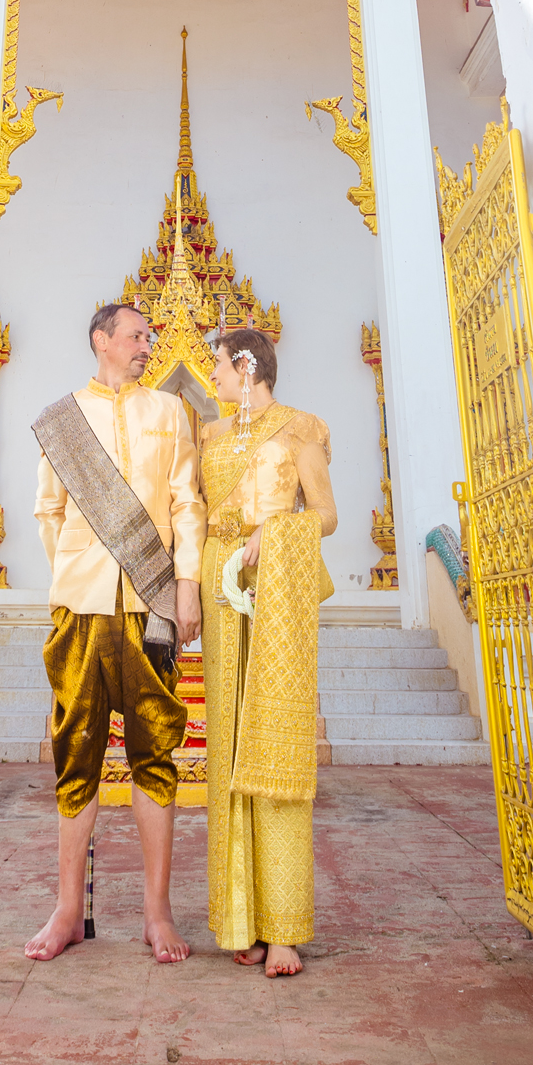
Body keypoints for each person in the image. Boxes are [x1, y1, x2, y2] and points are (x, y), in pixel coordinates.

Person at [27, 302, 205, 964]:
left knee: (156, 753)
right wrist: (79, 573)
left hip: (152, 607)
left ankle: (158, 914)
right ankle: (68, 909)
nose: (146, 345)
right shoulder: (61, 420)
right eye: (136, 335)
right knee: (75, 754)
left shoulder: (168, 412)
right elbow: (49, 512)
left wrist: (184, 583)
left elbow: (186, 500)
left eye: (150, 337)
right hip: (80, 609)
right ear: (102, 339)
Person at [200, 325, 337, 977]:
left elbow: (327, 514)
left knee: (275, 740)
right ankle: (239, 917)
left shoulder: (301, 430)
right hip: (221, 589)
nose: (215, 380)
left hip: (275, 583)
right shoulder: (212, 436)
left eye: (221, 368)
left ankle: (283, 927)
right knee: (227, 744)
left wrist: (277, 530)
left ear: (247, 365)